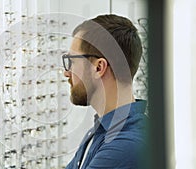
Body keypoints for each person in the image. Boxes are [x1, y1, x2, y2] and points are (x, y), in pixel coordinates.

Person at [62, 14, 148, 169]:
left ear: (99, 67)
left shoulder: (125, 145)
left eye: (72, 62)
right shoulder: (103, 131)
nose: (66, 73)